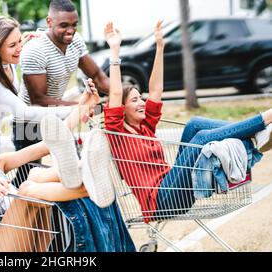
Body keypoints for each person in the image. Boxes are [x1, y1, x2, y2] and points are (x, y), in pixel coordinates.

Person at [102, 20, 272, 221]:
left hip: (175, 186)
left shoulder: (145, 125)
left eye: (141, 98)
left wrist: (159, 46)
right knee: (200, 139)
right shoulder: (118, 132)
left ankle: (254, 134)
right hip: (161, 201)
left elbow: (156, 90)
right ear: (122, 109)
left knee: (195, 124)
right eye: (134, 100)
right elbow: (114, 91)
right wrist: (115, 50)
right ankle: (264, 119)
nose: (142, 102)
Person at [0, 92, 135, 252]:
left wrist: (82, 108)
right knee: (26, 189)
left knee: (34, 175)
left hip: (33, 234)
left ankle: (82, 173)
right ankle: (87, 185)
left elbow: (46, 145)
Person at [0, 16, 81, 152]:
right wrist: (73, 110)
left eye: (19, 41)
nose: (20, 48)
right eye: (13, 45)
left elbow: (13, 50)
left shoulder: (5, 63)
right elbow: (25, 112)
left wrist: (26, 40)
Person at [14, 0, 110, 152]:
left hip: (56, 115)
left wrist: (121, 95)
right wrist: (81, 107)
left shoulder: (75, 40)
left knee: (72, 163)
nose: (71, 30)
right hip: (28, 121)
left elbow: (98, 76)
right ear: (49, 22)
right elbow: (38, 99)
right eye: (64, 25)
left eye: (74, 24)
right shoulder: (35, 50)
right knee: (25, 172)